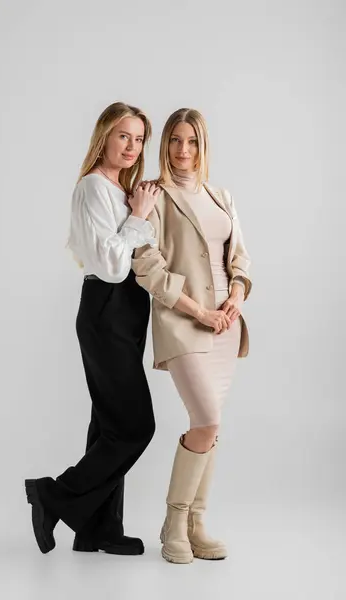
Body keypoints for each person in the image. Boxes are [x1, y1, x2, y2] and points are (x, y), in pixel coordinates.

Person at [25, 102, 161, 556]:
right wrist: (139, 216)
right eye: (124, 135)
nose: (132, 146)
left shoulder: (120, 191)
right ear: (104, 135)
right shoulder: (93, 188)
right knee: (135, 426)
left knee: (108, 424)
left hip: (127, 309)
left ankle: (99, 529)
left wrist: (137, 211)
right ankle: (53, 494)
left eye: (139, 138)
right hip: (107, 307)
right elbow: (110, 265)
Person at [132, 108, 252, 564]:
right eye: (176, 140)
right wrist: (199, 309)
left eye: (193, 142)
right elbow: (146, 265)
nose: (184, 150)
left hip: (225, 322)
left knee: (210, 424)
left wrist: (235, 298)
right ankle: (173, 522)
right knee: (207, 419)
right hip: (183, 319)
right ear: (165, 144)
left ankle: (196, 524)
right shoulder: (152, 195)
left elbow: (239, 258)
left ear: (203, 146)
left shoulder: (221, 196)